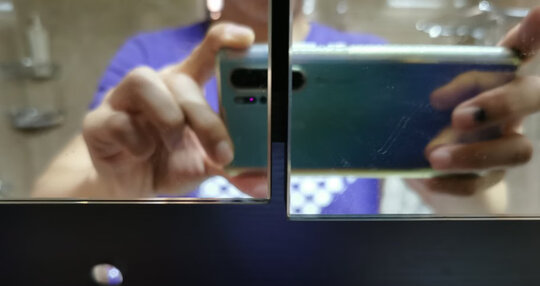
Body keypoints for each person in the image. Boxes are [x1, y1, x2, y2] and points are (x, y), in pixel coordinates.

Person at [31, 0, 540, 215]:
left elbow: (486, 217)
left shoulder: (371, 57)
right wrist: (117, 188)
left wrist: (460, 166)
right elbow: (44, 204)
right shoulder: (151, 56)